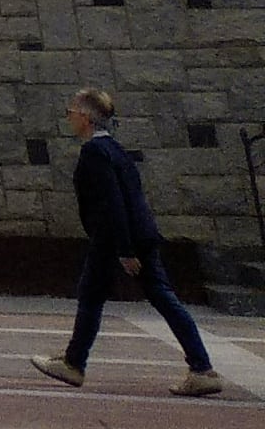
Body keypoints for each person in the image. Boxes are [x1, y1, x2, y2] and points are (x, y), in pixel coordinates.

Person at [30, 87, 226, 397]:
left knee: (95, 296)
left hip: (114, 239)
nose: (68, 118)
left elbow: (113, 202)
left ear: (86, 117)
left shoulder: (95, 152)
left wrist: (125, 250)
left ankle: (74, 363)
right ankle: (202, 368)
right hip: (137, 235)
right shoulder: (115, 149)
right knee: (155, 297)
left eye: (71, 112)